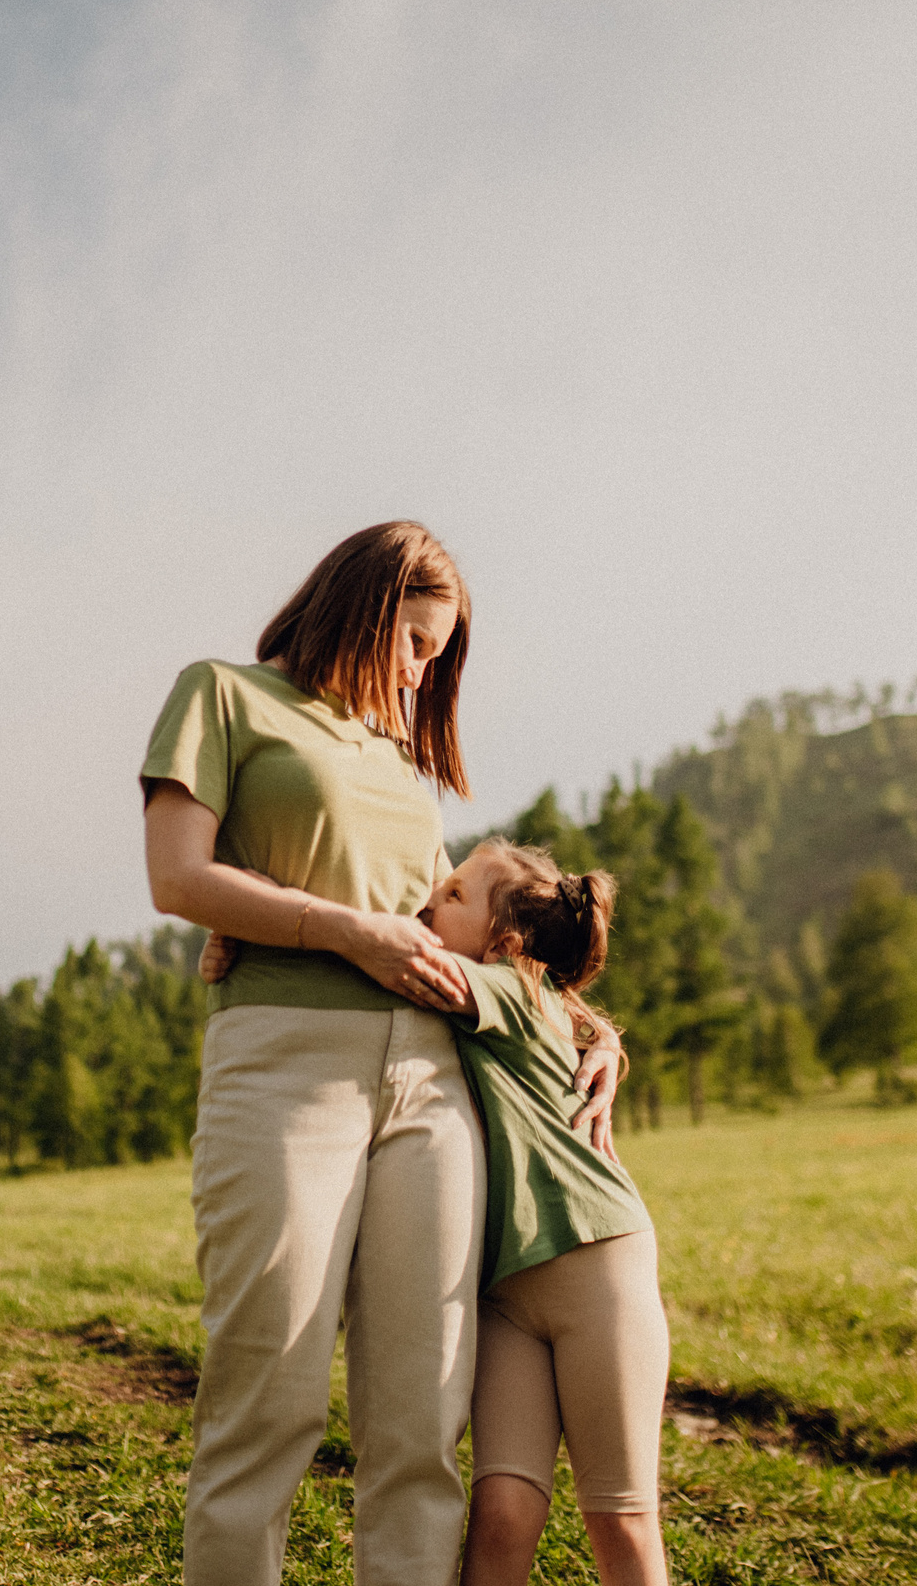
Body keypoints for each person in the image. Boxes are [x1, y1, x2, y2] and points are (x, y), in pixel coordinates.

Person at [142, 521, 623, 1586]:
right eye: (411, 641)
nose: (418, 673)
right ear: (360, 605)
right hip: (284, 1069)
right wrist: (329, 925)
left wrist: (598, 1034)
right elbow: (176, 878)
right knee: (267, 1401)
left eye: (434, 655)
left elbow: (470, 927)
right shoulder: (223, 696)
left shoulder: (401, 767)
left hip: (434, 1089)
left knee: (419, 1419)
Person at [201, 838, 668, 1584]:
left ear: (504, 943)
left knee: (619, 1514)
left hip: (593, 1262)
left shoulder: (501, 989)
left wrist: (257, 918)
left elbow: (395, 956)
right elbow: (563, 1007)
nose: (428, 901)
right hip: (508, 1293)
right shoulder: (513, 988)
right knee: (505, 1513)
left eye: (452, 895)